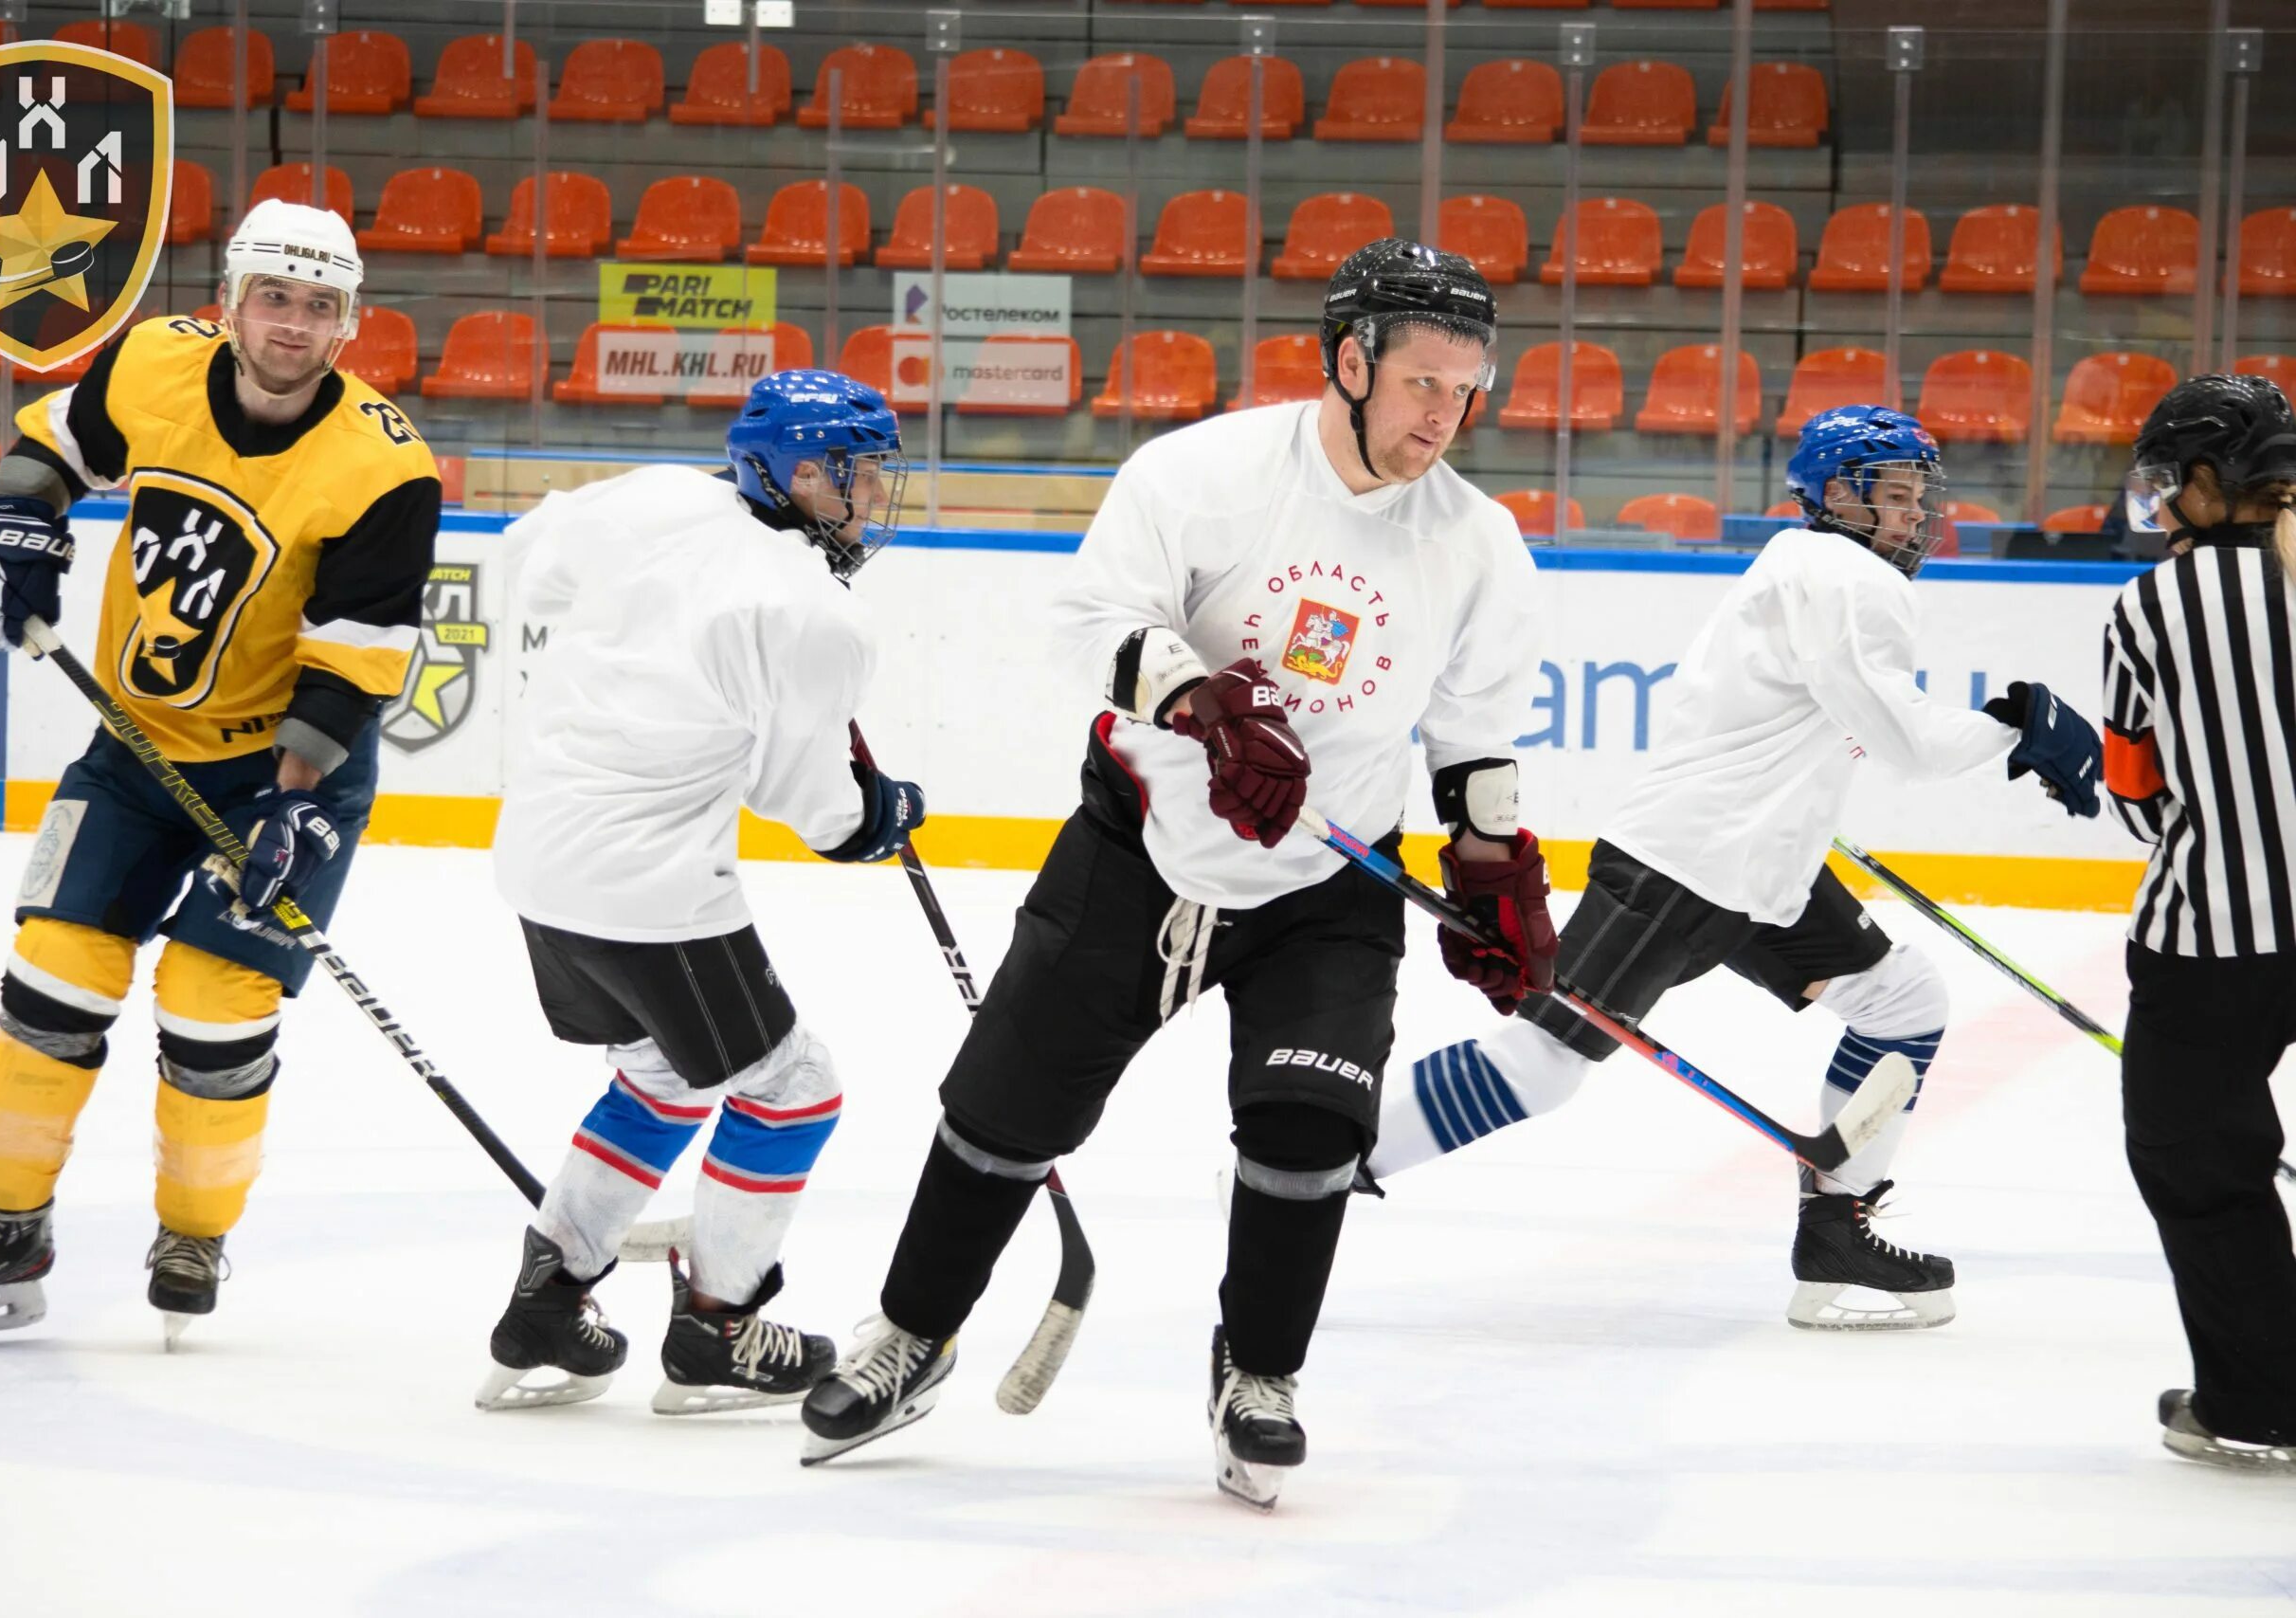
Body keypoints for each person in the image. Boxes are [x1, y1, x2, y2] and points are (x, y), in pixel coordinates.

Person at [798, 239, 1556, 1510]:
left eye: (1468, 389)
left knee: (1312, 1134)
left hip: (1328, 887)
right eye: (1425, 381)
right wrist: (1206, 704)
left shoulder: (1477, 541)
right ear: (1351, 359)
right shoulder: (1203, 473)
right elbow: (1092, 618)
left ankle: (1258, 1372)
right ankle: (911, 1329)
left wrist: (1493, 879)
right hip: (1139, 849)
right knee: (1000, 1113)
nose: (1446, 414)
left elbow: (1475, 735)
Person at [1368, 406, 2104, 1331]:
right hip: (1689, 867)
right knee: (1545, 1065)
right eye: (1899, 497)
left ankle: (1837, 1233)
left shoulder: (1809, 569)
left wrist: (1795, 798)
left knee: (1902, 1002)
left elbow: (1777, 717)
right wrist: (2018, 726)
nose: (1917, 517)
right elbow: (1911, 743)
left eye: (1923, 498)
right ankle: (1335, 1150)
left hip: (1757, 870)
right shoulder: (1842, 577)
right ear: (1839, 494)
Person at [0, 200, 440, 1346]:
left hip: (291, 770)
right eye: (273, 297)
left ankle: (194, 1230)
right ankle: (8, 1224)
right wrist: (15, 520)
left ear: (351, 326)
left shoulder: (386, 467)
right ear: (227, 300)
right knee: (55, 975)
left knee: (212, 1005)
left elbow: (352, 669)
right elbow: (53, 447)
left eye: (319, 307)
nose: (292, 325)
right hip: (136, 747)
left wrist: (290, 806)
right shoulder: (148, 359)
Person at [476, 370, 922, 1413]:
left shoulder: (656, 496)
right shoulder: (810, 611)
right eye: (860, 478)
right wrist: (876, 813)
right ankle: (720, 1326)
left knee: (665, 1079)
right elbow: (807, 804)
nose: (875, 499)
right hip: (649, 888)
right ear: (801, 473)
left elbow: (524, 559)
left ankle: (545, 1306)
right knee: (792, 1090)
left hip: (538, 859)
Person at [2104, 373, 2296, 1472]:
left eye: (2171, 483)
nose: (2163, 505)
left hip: (2211, 941)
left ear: (2217, 483)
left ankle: (2261, 1397)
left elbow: (2138, 791)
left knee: (2198, 1163)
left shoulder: (2148, 605)